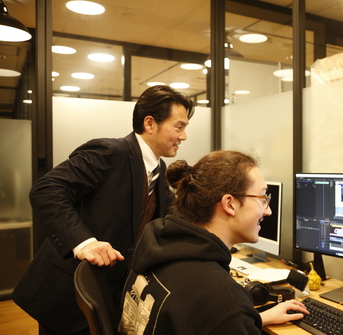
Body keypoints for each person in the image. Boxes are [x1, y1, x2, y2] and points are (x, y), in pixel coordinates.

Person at [12, 85, 195, 335]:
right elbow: (47, 189)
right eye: (179, 126)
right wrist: (84, 242)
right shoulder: (110, 152)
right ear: (150, 123)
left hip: (109, 299)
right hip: (67, 295)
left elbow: (169, 221)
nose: (184, 136)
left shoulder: (159, 173)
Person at [118, 150, 309, 335]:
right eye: (262, 198)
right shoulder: (223, 302)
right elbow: (218, 314)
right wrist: (236, 317)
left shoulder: (158, 245)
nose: (268, 211)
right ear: (229, 204)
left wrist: (252, 319)